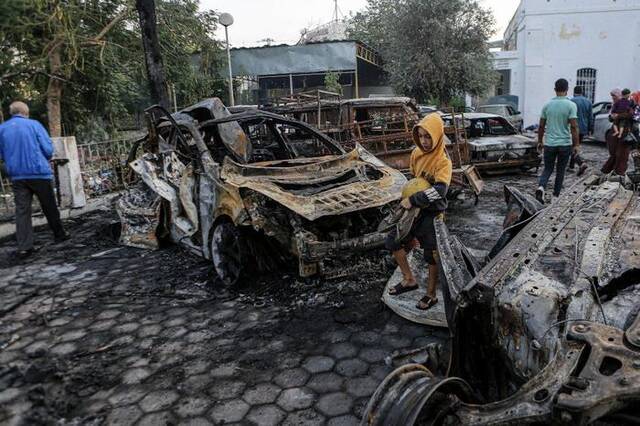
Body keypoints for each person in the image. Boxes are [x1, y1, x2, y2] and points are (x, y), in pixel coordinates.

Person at [386, 113, 452, 311]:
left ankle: (431, 295)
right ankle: (409, 279)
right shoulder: (415, 154)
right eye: (421, 136)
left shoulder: (443, 162)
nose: (424, 141)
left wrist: (414, 199)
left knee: (431, 255)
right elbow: (415, 180)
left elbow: (441, 190)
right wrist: (409, 198)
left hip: (433, 213)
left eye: (428, 136)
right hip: (414, 211)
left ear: (438, 135)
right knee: (393, 240)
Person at [0, 101, 69, 258]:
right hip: (38, 172)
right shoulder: (34, 125)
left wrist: (10, 164)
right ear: (26, 112)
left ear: (12, 113)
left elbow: (1, 154)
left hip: (17, 175)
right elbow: (48, 149)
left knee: (22, 211)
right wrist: (46, 157)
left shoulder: (2, 129)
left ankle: (25, 247)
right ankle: (59, 234)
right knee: (49, 205)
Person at [535, 78, 579, 203]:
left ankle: (541, 187)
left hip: (549, 143)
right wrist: (576, 144)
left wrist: (540, 141)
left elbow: (541, 126)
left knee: (547, 168)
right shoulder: (571, 105)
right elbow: (574, 126)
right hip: (565, 144)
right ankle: (555, 196)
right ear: (567, 90)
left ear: (555, 90)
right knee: (560, 170)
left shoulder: (547, 105)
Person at [602, 88, 634, 176]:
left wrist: (618, 116)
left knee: (622, 154)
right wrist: (612, 117)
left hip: (625, 131)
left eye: (614, 97)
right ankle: (609, 170)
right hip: (615, 130)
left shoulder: (629, 103)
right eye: (612, 97)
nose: (613, 98)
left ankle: (618, 172)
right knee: (614, 152)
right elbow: (610, 117)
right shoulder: (616, 104)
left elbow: (631, 115)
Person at [569, 86, 592, 176]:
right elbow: (591, 116)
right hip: (583, 128)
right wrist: (590, 128)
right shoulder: (588, 102)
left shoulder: (571, 102)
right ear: (582, 92)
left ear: (574, 92)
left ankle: (580, 163)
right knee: (576, 146)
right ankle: (571, 166)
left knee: (571, 147)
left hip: (572, 127)